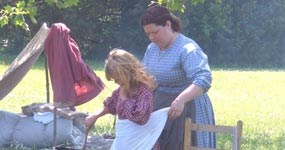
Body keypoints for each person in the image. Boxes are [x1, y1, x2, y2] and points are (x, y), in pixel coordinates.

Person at [140, 4, 216, 150]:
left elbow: (204, 79)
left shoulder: (187, 48)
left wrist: (181, 100)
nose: (152, 38)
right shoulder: (152, 49)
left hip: (187, 108)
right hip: (161, 110)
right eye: (148, 34)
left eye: (155, 32)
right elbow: (145, 76)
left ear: (168, 24)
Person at [85, 49, 168, 150]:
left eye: (117, 79)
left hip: (143, 142)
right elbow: (111, 105)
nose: (115, 82)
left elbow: (140, 117)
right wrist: (94, 116)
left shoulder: (144, 91)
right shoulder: (123, 89)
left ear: (126, 74)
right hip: (126, 142)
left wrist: (124, 99)